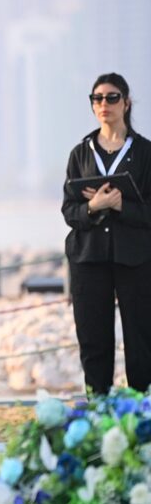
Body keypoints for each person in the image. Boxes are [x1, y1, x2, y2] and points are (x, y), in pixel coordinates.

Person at [62, 72, 151, 395]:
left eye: (112, 97)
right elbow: (69, 211)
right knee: (93, 339)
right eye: (97, 98)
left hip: (137, 259)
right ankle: (98, 409)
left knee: (141, 339)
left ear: (126, 103)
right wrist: (94, 206)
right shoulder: (80, 153)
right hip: (88, 258)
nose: (104, 104)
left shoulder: (145, 153)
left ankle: (143, 412)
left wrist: (120, 205)